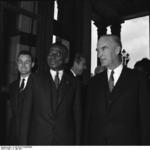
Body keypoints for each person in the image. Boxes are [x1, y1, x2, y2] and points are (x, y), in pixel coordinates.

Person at [84, 34, 150, 145]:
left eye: (104, 48)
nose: (99, 54)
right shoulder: (93, 82)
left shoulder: (139, 79)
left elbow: (145, 120)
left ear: (117, 50)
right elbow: (87, 120)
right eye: (98, 50)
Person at [28, 43, 81, 145]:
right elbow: (26, 115)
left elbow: (77, 118)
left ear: (66, 59)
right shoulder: (35, 79)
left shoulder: (75, 83)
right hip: (39, 141)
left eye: (58, 54)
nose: (52, 56)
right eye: (51, 53)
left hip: (65, 141)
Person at [8, 50, 35, 145]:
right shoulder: (12, 86)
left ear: (32, 64)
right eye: (20, 61)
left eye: (27, 62)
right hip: (13, 137)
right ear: (17, 64)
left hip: (32, 138)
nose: (23, 64)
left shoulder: (39, 86)